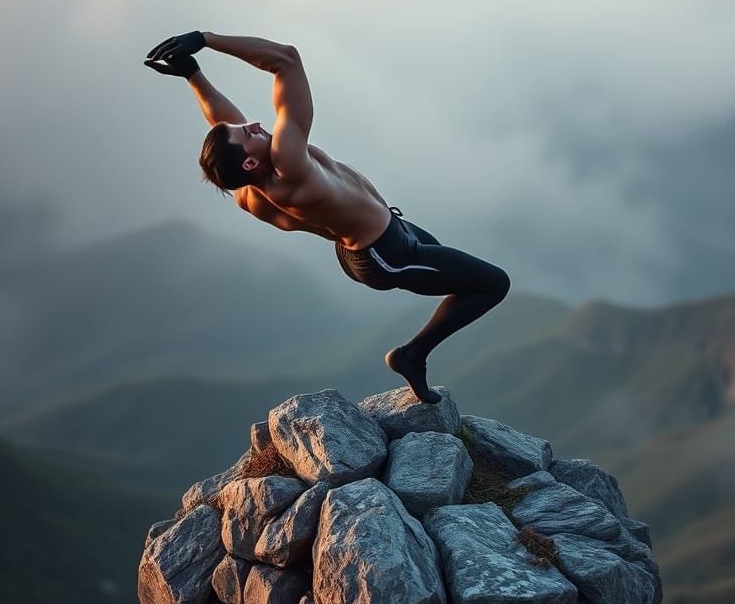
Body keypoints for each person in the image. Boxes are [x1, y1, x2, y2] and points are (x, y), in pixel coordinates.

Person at [144, 31, 510, 404]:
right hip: (388, 255)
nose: (253, 123)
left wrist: (194, 75)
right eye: (247, 133)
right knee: (493, 284)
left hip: (378, 237)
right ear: (251, 161)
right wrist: (206, 39)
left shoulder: (250, 190)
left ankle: (413, 354)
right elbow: (286, 60)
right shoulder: (289, 165)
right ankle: (412, 355)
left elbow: (223, 124)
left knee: (459, 275)